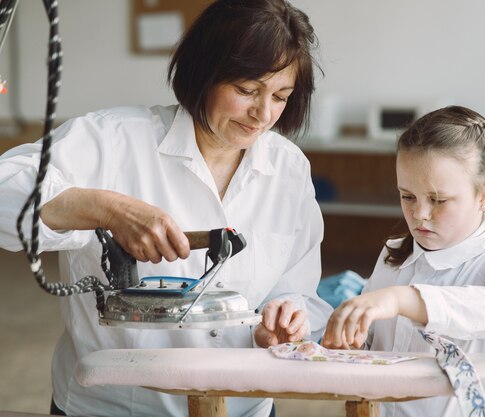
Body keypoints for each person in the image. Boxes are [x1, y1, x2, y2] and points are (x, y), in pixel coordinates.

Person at [0, 0, 333, 416]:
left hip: (242, 406)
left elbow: (298, 290)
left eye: (280, 96)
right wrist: (105, 208)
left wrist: (286, 321)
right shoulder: (114, 141)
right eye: (246, 91)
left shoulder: (288, 169)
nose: (262, 114)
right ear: (203, 73)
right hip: (114, 407)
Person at [322, 105, 485, 417]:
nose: (420, 214)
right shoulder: (393, 255)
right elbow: (370, 348)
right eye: (407, 196)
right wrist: (346, 345)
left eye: (438, 200)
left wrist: (404, 298)